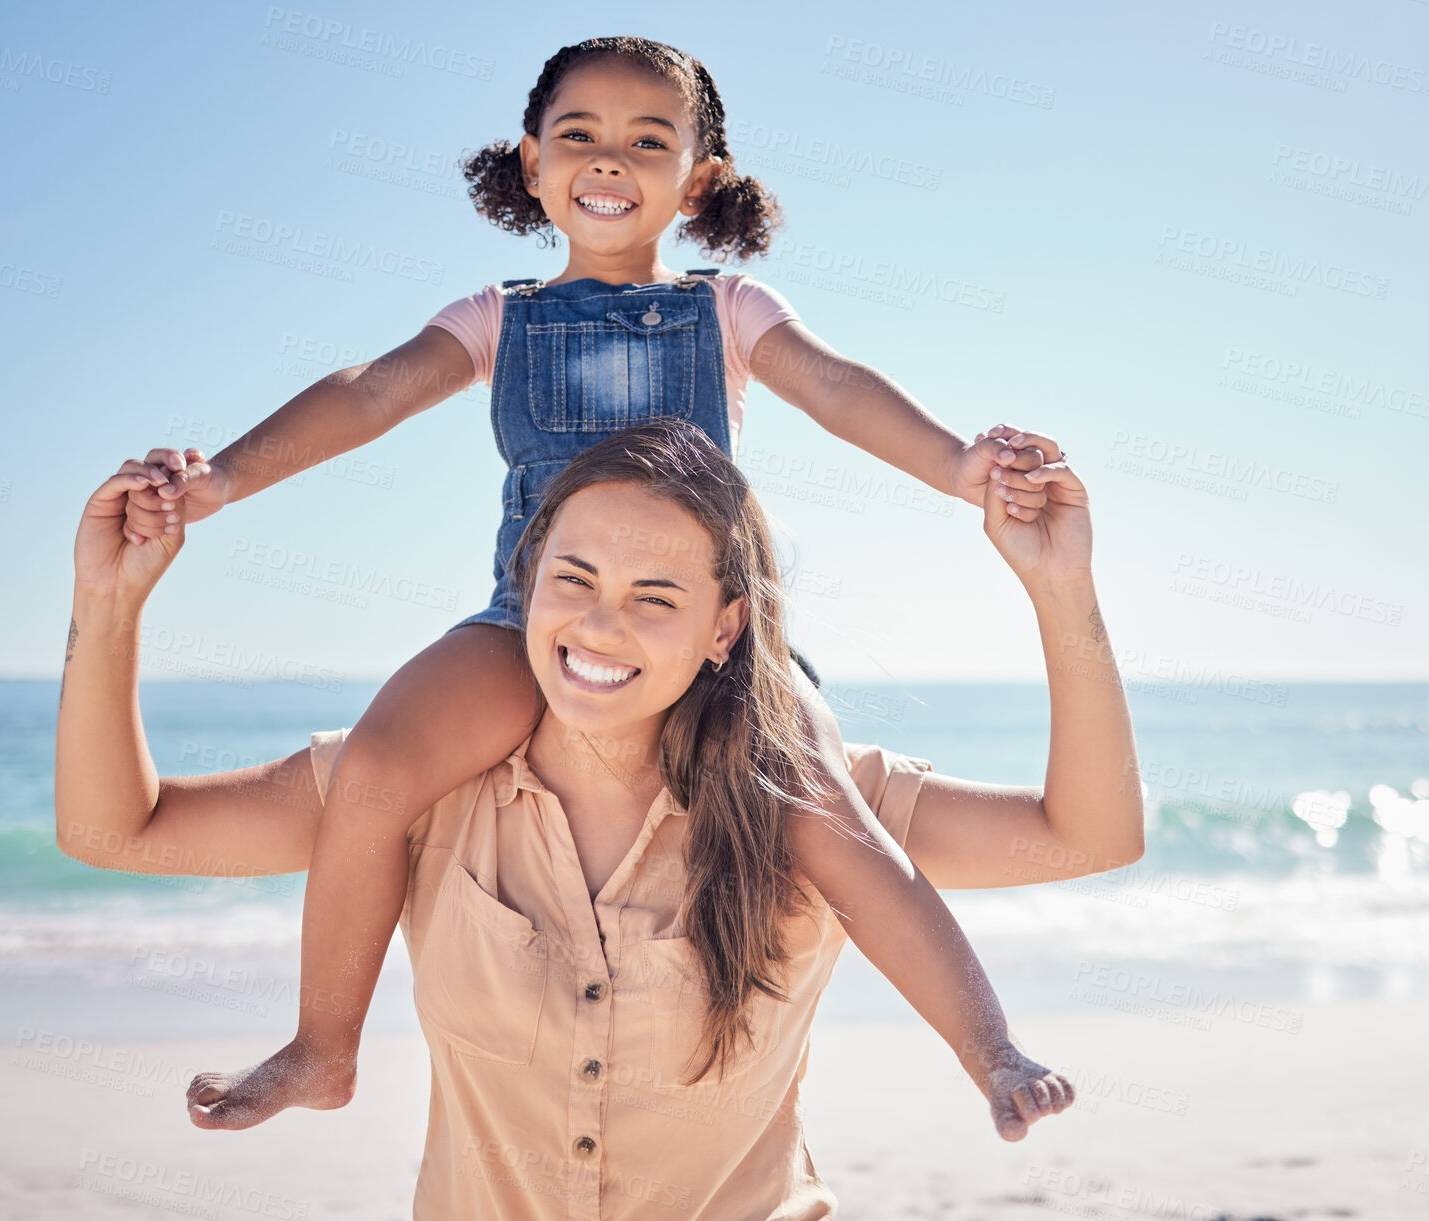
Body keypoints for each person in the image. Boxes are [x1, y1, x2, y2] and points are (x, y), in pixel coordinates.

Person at [109, 35, 1087, 1132]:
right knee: (379, 764)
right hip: (529, 615)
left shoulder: (725, 312)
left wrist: (961, 468)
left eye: (646, 140)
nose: (607, 158)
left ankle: (991, 1052)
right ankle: (322, 1047)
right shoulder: (497, 318)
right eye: (577, 135)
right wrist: (225, 478)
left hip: (706, 629)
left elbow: (839, 388)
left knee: (828, 811)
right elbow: (367, 394)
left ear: (696, 179)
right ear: (532, 164)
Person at [58, 420, 1138, 1216]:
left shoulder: (811, 805)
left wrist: (1059, 590)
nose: (599, 624)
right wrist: (110, 605)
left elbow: (1085, 835)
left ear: (724, 629)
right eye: (574, 577)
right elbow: (116, 834)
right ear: (526, 580)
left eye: (655, 598)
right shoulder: (416, 789)